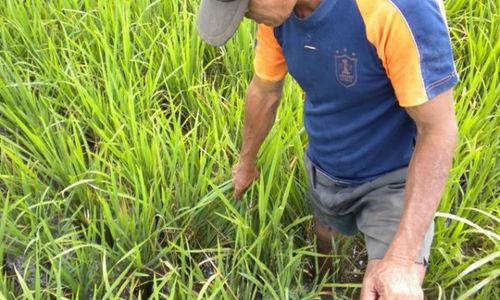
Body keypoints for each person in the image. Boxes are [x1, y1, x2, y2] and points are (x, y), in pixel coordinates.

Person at [197, 0, 459, 299]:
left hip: (396, 177)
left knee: (389, 289)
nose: (246, 16)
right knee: (326, 239)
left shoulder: (396, 9)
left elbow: (438, 131)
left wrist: (400, 262)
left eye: (246, 7)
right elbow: (265, 90)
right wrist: (246, 162)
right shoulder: (276, 19)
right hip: (327, 161)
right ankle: (327, 289)